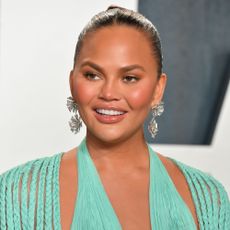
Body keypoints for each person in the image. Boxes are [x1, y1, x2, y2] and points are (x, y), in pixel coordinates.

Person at [0, 6, 229, 230]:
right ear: (72, 82)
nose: (108, 94)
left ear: (158, 89)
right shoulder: (18, 192)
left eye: (129, 78)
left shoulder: (207, 199)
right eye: (92, 75)